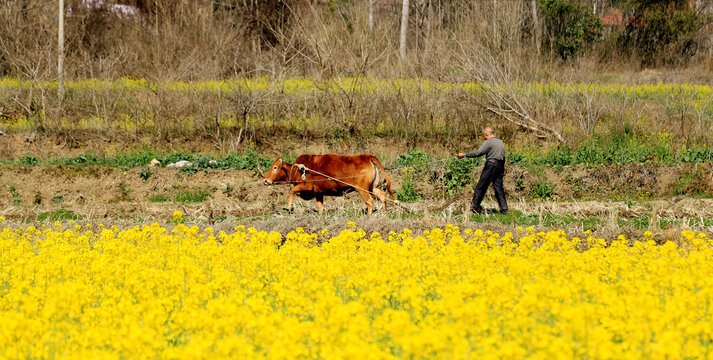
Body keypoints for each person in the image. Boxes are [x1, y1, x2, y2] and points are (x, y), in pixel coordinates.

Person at [457, 127, 508, 214]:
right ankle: (504, 209)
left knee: (480, 186)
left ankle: (474, 207)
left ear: (486, 134)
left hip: (491, 165)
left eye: (483, 136)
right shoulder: (500, 142)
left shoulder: (489, 141)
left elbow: (478, 152)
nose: (483, 138)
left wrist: (464, 155)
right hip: (500, 165)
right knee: (498, 187)